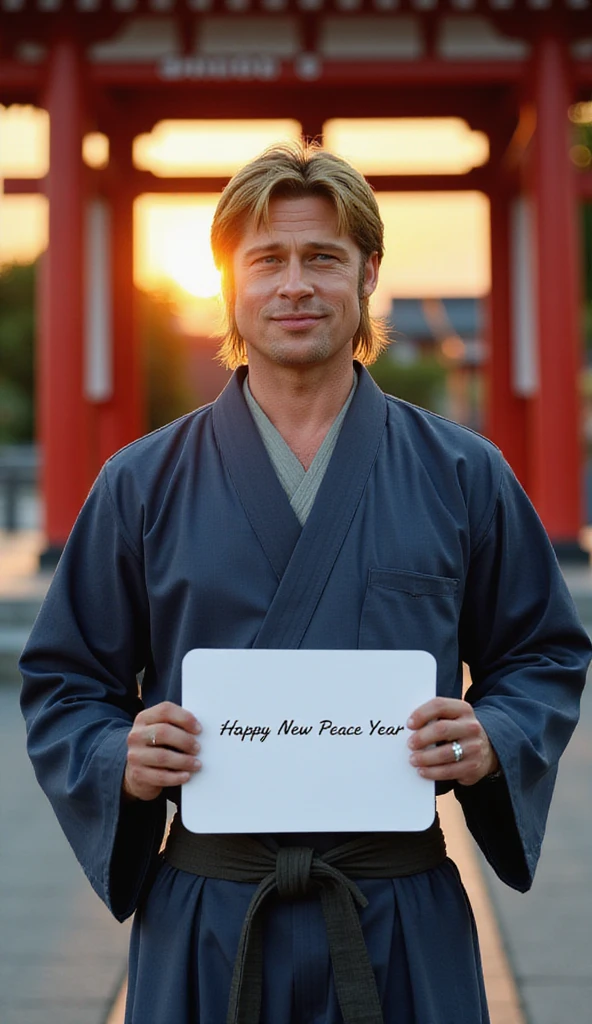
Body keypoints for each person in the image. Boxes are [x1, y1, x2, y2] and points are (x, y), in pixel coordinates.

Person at [20, 143, 590, 1024]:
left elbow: (542, 653)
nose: (296, 285)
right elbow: (65, 683)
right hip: (212, 913)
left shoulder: (461, 473)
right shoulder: (140, 483)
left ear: (367, 274)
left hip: (397, 911)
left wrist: (493, 736)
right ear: (229, 281)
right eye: (267, 260)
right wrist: (116, 758)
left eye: (323, 257)